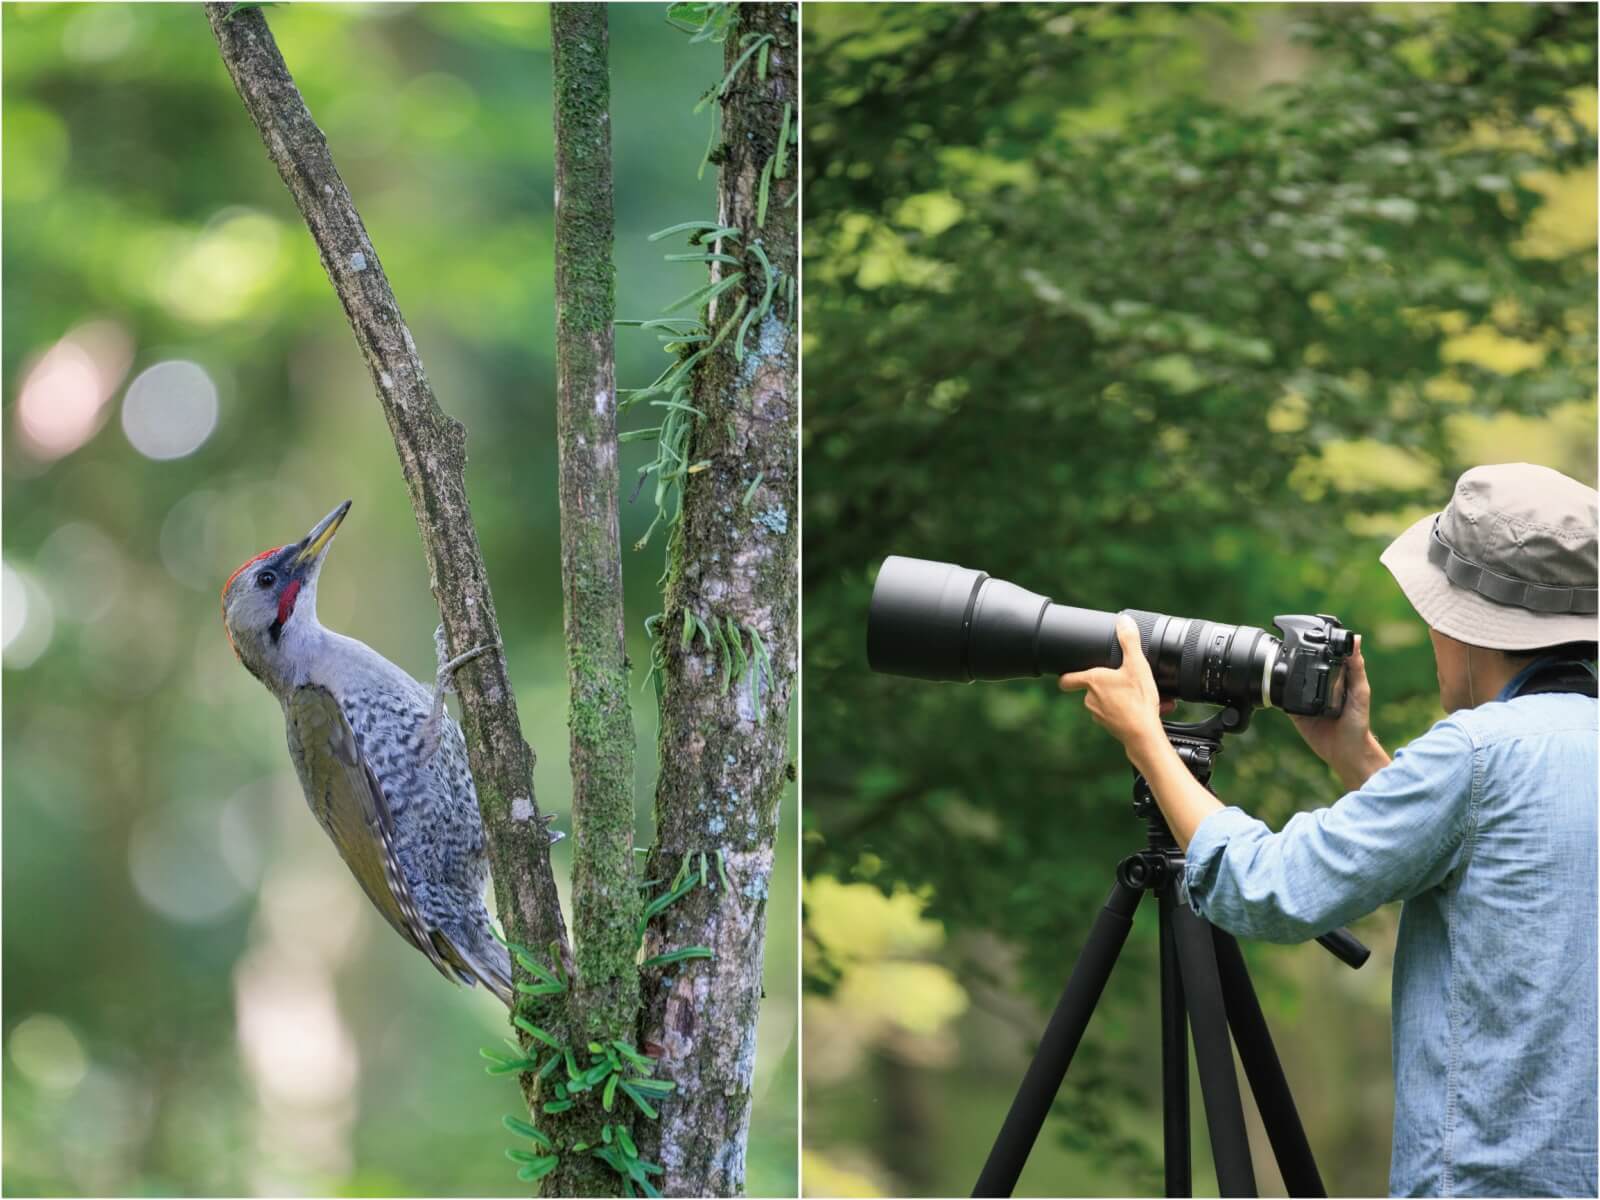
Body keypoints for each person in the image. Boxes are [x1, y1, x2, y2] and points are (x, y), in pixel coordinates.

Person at [1058, 462, 1598, 1199]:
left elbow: (1267, 890)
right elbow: (1496, 854)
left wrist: (1147, 740)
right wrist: (1354, 753)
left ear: (1461, 624)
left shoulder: (1473, 753)